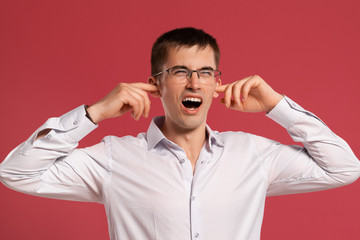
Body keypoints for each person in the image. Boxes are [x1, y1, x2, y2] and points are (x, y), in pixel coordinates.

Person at [0, 27, 359, 240]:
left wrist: (275, 105)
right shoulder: (114, 158)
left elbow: (344, 167)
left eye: (205, 72)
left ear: (216, 82)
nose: (194, 82)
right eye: (180, 71)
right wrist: (93, 114)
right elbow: (15, 172)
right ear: (156, 82)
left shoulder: (252, 154)